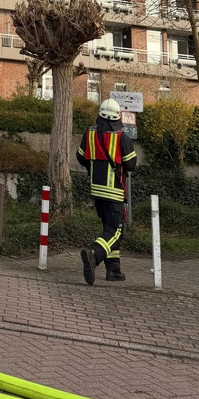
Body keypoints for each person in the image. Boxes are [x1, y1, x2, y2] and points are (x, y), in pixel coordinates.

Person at [76, 98, 137, 284]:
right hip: (115, 192)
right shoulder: (121, 137)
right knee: (116, 231)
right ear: (118, 117)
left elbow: (81, 157)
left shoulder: (89, 134)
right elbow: (131, 164)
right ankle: (94, 254)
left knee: (109, 229)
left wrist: (94, 167)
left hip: (97, 191)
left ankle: (114, 271)